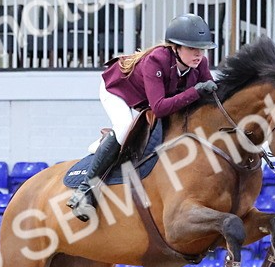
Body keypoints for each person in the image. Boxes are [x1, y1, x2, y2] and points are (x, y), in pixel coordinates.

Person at [67, 13, 219, 221]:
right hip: (117, 90)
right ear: (175, 47)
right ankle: (85, 190)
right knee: (123, 129)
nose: (199, 54)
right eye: (192, 48)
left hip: (147, 98)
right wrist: (196, 92)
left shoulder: (199, 64)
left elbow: (206, 96)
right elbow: (159, 107)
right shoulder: (156, 61)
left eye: (201, 49)